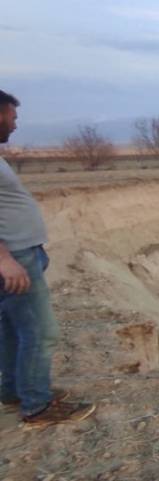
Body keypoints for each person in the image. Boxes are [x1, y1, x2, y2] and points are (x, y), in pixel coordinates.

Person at [0, 89, 95, 428]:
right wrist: (4, 259)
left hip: (20, 253)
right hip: (13, 258)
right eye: (11, 115)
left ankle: (14, 390)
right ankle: (37, 406)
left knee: (13, 328)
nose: (15, 123)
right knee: (41, 332)